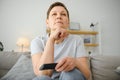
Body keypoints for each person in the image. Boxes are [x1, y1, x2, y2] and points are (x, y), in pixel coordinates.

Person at [31, 2, 91, 80]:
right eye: (54, 14)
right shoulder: (37, 42)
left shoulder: (77, 40)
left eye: (63, 14)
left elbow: (87, 75)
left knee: (71, 73)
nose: (59, 16)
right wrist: (51, 39)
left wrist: (76, 63)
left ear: (68, 22)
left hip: (70, 77)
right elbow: (43, 73)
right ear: (47, 22)